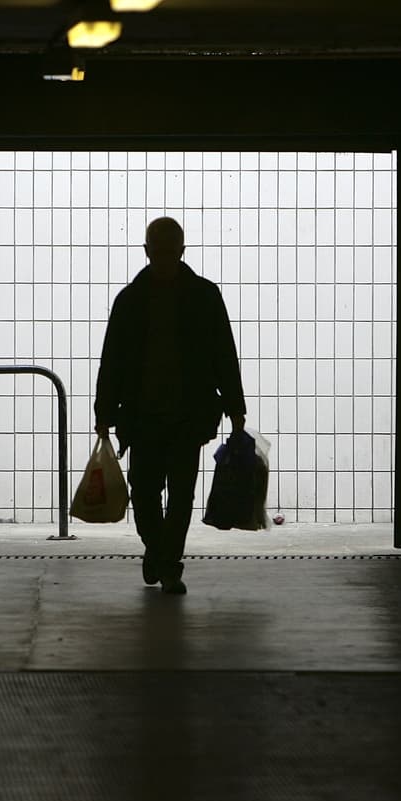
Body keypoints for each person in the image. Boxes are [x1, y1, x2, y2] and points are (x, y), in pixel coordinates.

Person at [94, 217, 247, 595]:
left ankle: (164, 559)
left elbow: (111, 360)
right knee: (172, 495)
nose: (162, 259)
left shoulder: (131, 300)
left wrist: (105, 413)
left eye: (166, 253)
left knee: (156, 493)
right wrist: (234, 406)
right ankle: (164, 558)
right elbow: (223, 356)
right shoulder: (204, 296)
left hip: (150, 417)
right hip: (183, 415)